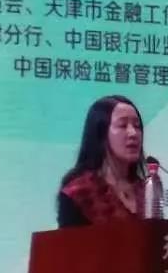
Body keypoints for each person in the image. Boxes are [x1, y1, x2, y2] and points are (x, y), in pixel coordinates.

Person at [56, 94, 147, 226]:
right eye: (123, 125)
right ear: (101, 133)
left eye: (137, 126)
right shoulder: (79, 192)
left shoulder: (146, 191)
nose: (133, 133)